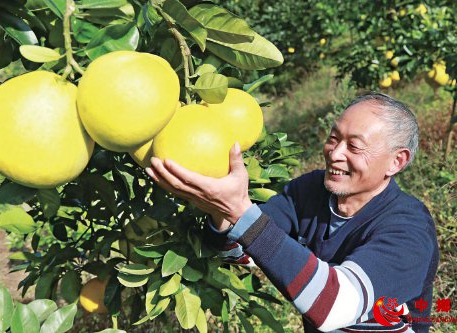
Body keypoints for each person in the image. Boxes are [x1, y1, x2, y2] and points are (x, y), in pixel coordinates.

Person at [146, 92, 439, 333]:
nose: (335, 153)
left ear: (396, 162)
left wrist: (239, 209)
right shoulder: (310, 191)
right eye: (334, 138)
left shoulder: (409, 229)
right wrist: (220, 210)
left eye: (354, 146)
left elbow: (335, 307)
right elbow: (241, 252)